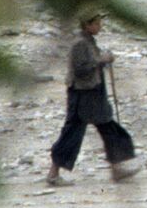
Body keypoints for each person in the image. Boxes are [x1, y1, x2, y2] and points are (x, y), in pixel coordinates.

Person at [47, 12, 142, 186]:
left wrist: (102, 60)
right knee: (73, 133)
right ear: (87, 25)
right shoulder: (80, 43)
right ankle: (53, 174)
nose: (100, 27)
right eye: (97, 24)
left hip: (92, 92)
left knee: (108, 129)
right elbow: (81, 69)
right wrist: (101, 60)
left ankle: (116, 169)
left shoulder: (88, 41)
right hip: (83, 95)